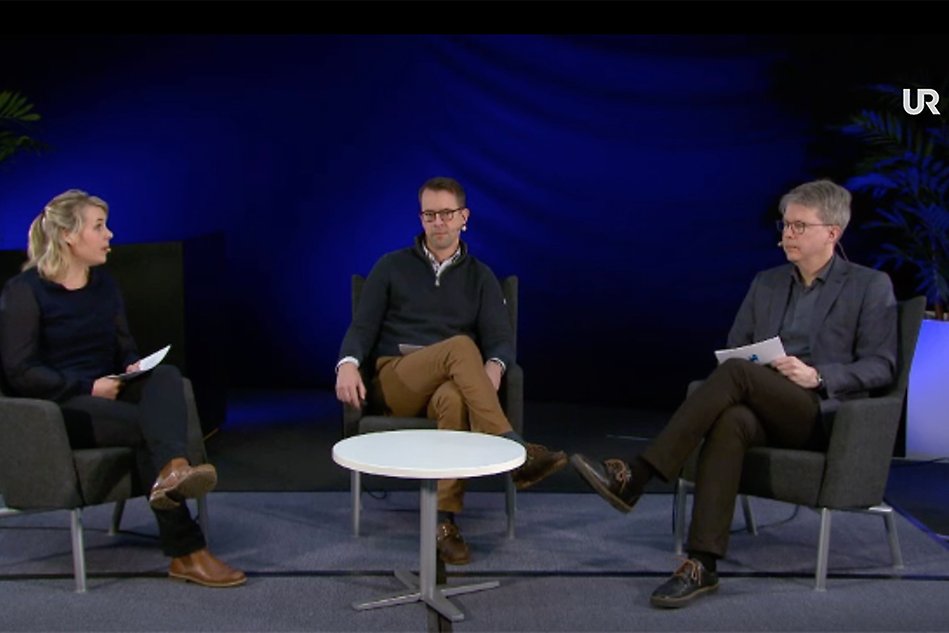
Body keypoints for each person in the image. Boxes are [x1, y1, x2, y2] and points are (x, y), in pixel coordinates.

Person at [571, 179, 897, 608]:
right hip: (762, 406)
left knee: (739, 377)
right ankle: (701, 563)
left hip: (820, 414)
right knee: (731, 421)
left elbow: (882, 365)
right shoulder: (767, 282)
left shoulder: (869, 286)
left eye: (800, 226)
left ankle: (639, 475)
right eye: (785, 225)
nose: (787, 235)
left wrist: (817, 375)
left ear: (832, 233)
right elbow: (736, 349)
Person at [0, 189, 246, 588]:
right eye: (98, 226)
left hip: (108, 392)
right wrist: (87, 386)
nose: (109, 235)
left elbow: (122, 344)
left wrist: (131, 366)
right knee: (154, 429)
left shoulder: (105, 285)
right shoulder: (25, 291)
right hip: (61, 409)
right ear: (68, 235)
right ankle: (188, 551)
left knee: (166, 377)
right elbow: (20, 371)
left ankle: (173, 471)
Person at [335, 176, 568, 565]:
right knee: (461, 347)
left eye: (446, 214)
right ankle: (515, 448)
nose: (438, 222)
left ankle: (444, 523)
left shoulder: (481, 277)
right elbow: (361, 328)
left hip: (449, 382)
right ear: (421, 217)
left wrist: (494, 365)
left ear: (464, 217)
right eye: (429, 214)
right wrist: (347, 364)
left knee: (456, 397)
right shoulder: (391, 266)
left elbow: (500, 339)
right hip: (397, 379)